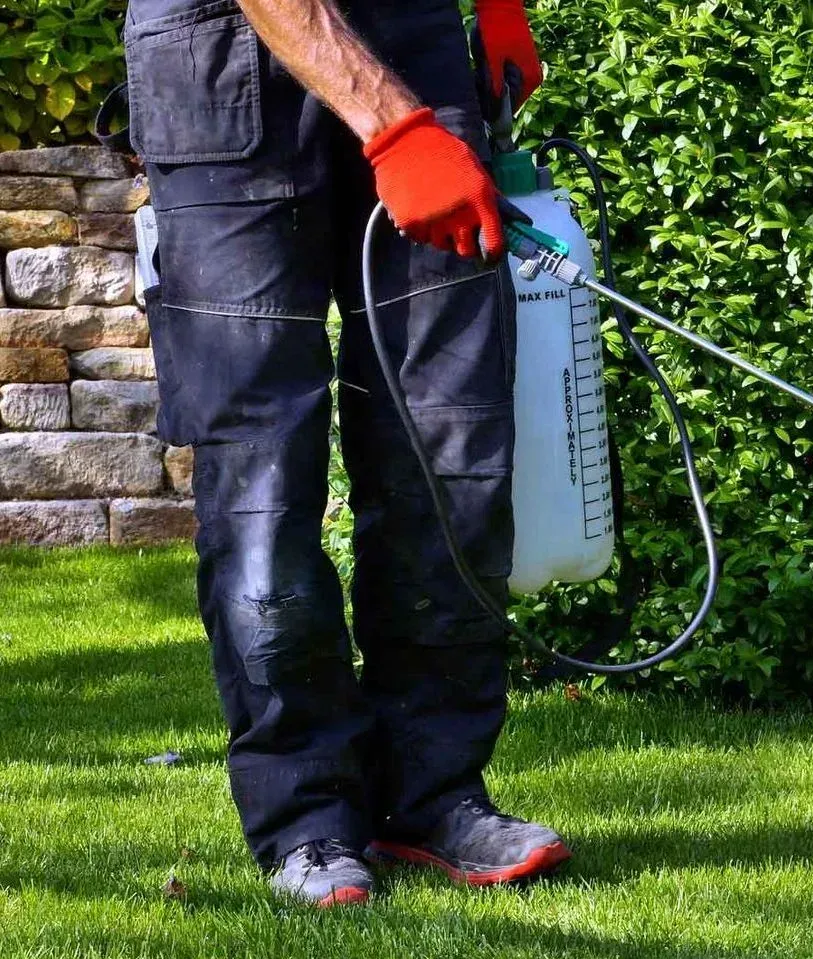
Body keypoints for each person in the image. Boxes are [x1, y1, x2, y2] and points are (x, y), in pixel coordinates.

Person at [122, 0, 567, 906]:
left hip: (418, 49)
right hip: (220, 61)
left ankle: (435, 794)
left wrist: (495, 9)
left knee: (452, 448)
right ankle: (308, 815)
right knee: (261, 476)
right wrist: (395, 125)